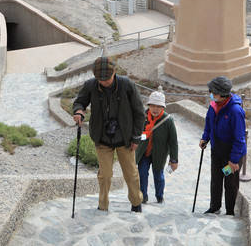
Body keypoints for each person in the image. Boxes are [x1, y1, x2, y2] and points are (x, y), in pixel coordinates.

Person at [73, 56, 145, 212]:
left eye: (107, 78)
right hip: (102, 138)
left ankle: (136, 202)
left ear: (115, 73)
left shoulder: (127, 85)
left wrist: (136, 137)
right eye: (100, 79)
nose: (104, 82)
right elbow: (80, 101)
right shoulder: (91, 85)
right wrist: (78, 111)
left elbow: (139, 113)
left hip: (125, 138)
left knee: (131, 174)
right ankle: (103, 205)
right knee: (104, 175)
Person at [199, 76, 246, 216]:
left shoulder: (235, 111)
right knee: (216, 180)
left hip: (231, 155)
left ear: (222, 94)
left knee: (230, 184)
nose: (210, 94)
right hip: (217, 151)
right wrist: (205, 138)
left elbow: (240, 138)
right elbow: (209, 123)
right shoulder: (213, 105)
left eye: (212, 91)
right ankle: (214, 207)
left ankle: (230, 211)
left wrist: (234, 160)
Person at [135, 88, 178, 204]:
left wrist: (173, 159)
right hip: (143, 152)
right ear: (149, 105)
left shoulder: (168, 120)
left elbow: (173, 141)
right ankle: (143, 196)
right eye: (152, 106)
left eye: (158, 106)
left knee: (158, 175)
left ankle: (159, 195)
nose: (155, 109)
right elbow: (135, 132)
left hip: (159, 153)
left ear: (163, 108)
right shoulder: (142, 117)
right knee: (142, 173)